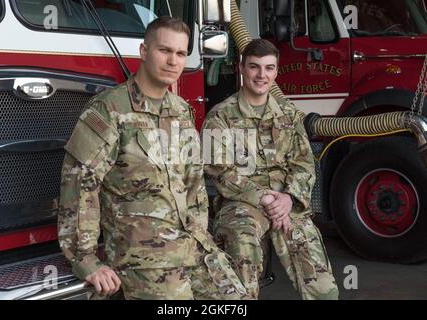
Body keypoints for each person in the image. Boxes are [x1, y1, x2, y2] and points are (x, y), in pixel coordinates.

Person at [58, 16, 248, 300]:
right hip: (143, 256)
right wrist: (84, 258)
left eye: (181, 53)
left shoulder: (181, 110)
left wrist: (201, 234)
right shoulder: (109, 110)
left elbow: (193, 181)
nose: (173, 61)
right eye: (165, 50)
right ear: (144, 52)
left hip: (192, 245)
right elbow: (80, 183)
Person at [202, 39, 339, 300]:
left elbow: (304, 163)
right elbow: (220, 172)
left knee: (322, 284)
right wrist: (265, 198)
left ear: (276, 71)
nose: (261, 75)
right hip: (241, 204)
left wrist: (288, 199)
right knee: (243, 245)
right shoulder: (219, 117)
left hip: (287, 203)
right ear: (241, 68)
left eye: (268, 68)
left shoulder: (288, 114)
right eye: (254, 67)